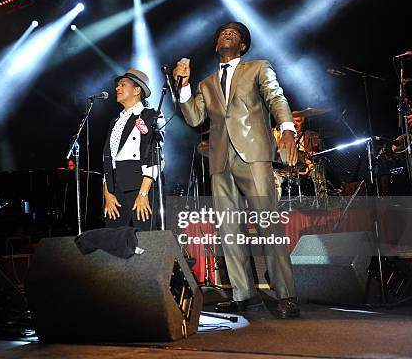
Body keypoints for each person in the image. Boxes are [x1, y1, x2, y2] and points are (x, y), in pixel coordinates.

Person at [173, 21, 300, 318]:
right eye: (222, 33)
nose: (227, 34)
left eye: (235, 34)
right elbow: (193, 118)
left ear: (242, 45)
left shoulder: (258, 68)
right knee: (229, 230)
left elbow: (276, 97)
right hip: (220, 160)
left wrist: (287, 128)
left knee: (268, 224)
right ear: (217, 45)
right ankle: (243, 294)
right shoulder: (206, 83)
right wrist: (183, 86)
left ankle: (286, 294)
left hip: (253, 154)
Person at [103, 69, 165, 231]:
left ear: (137, 90)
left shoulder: (151, 115)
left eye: (123, 85)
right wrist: (108, 194)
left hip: (140, 185)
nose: (117, 88)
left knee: (147, 240)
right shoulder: (115, 121)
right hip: (116, 189)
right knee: (113, 241)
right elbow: (108, 159)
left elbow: (155, 157)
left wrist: (144, 194)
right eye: (117, 85)